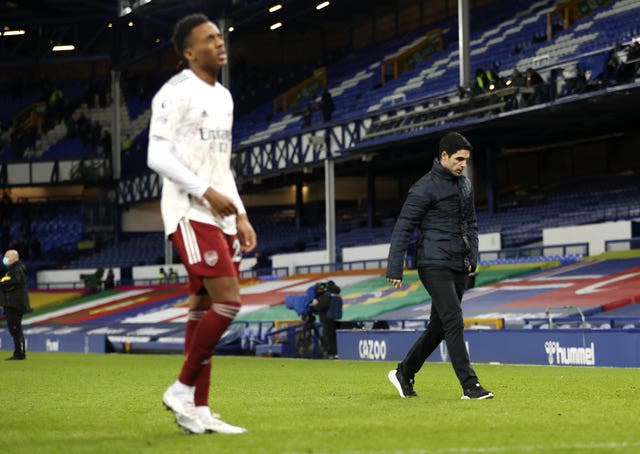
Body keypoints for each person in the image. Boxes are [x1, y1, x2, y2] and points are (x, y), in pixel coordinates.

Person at [147, 13, 257, 435]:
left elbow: (220, 165)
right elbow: (157, 156)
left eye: (220, 36)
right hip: (187, 211)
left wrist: (241, 214)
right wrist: (203, 192)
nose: (219, 42)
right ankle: (181, 388)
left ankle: (199, 409)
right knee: (228, 301)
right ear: (189, 52)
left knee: (204, 305)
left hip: (217, 213)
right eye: (209, 39)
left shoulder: (224, 97)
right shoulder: (175, 93)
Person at [386, 132, 493, 400]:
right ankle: (470, 386)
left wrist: (473, 257)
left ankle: (404, 371)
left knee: (440, 327)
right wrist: (394, 268)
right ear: (443, 156)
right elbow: (403, 227)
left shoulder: (466, 185)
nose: (462, 165)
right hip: (432, 263)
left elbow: (471, 223)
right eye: (458, 159)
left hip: (458, 263)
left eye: (466, 160)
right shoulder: (424, 187)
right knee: (454, 320)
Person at [0, 249, 32, 360]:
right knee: (13, 328)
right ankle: (18, 352)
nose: (5, 258)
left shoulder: (17, 269)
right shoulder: (11, 269)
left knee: (15, 328)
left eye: (7, 256)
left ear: (14, 258)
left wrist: (2, 283)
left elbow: (13, 282)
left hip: (15, 304)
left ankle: (20, 353)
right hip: (11, 303)